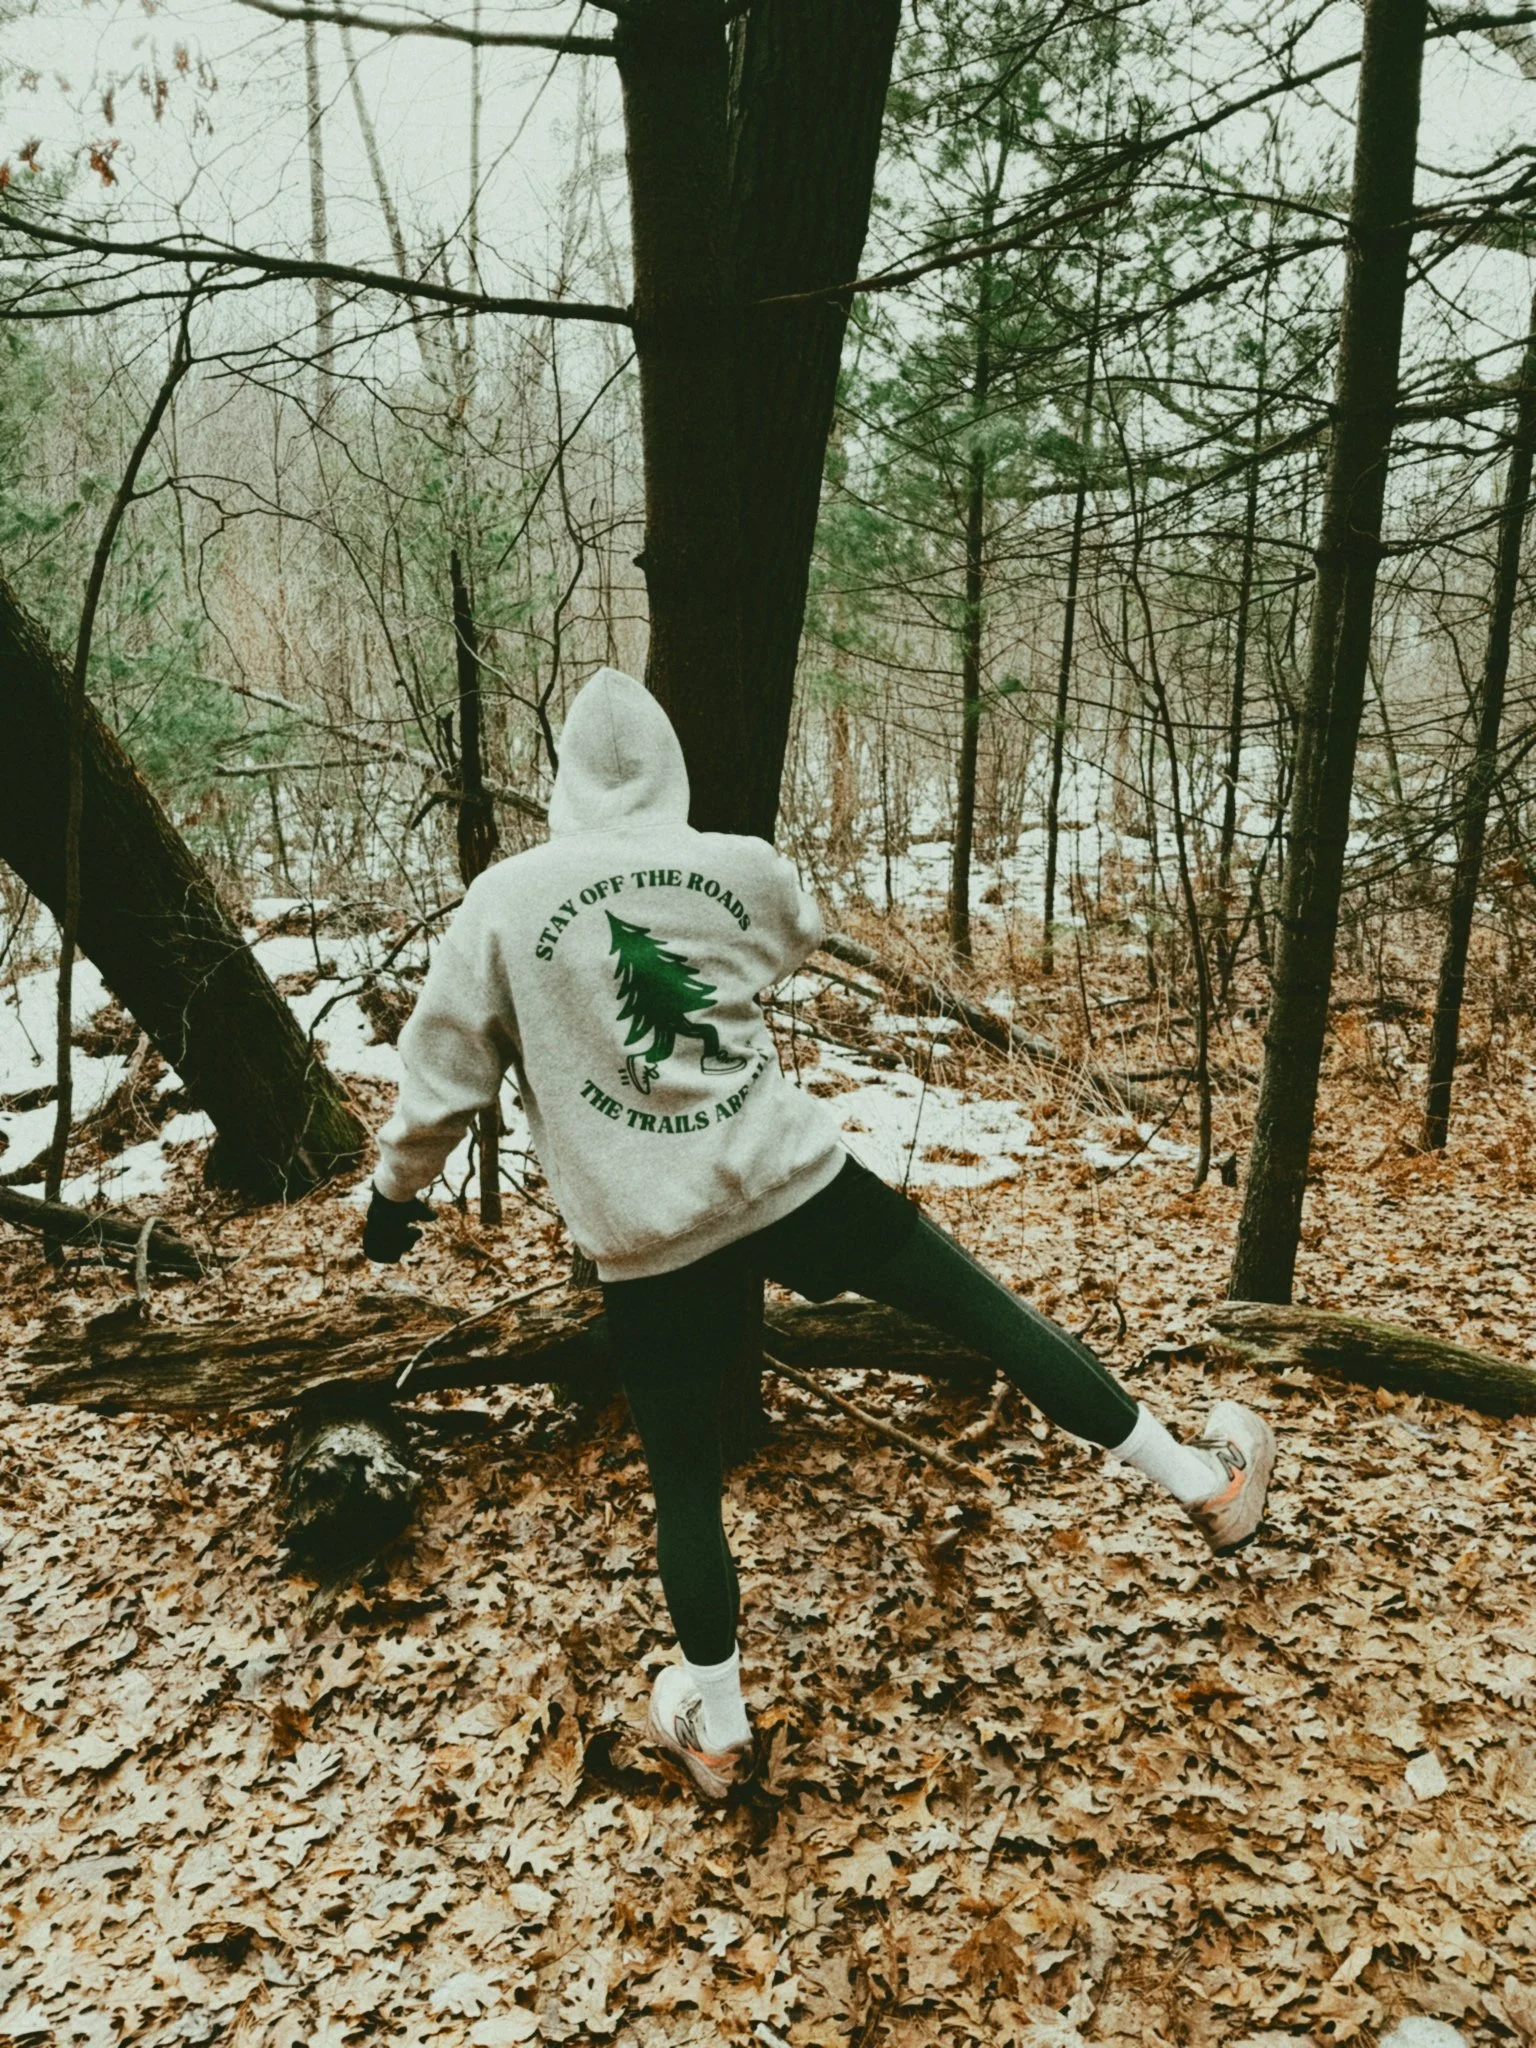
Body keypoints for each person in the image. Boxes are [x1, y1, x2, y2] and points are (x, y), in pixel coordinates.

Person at [364, 667, 1276, 1803]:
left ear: (562, 781)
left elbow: (442, 1078)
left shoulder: (501, 904)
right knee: (989, 1317)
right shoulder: (737, 867)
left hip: (646, 1239)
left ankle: (719, 1726)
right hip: (793, 1180)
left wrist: (395, 1200)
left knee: (685, 1478)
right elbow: (795, 929)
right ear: (668, 770)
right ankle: (1203, 1484)